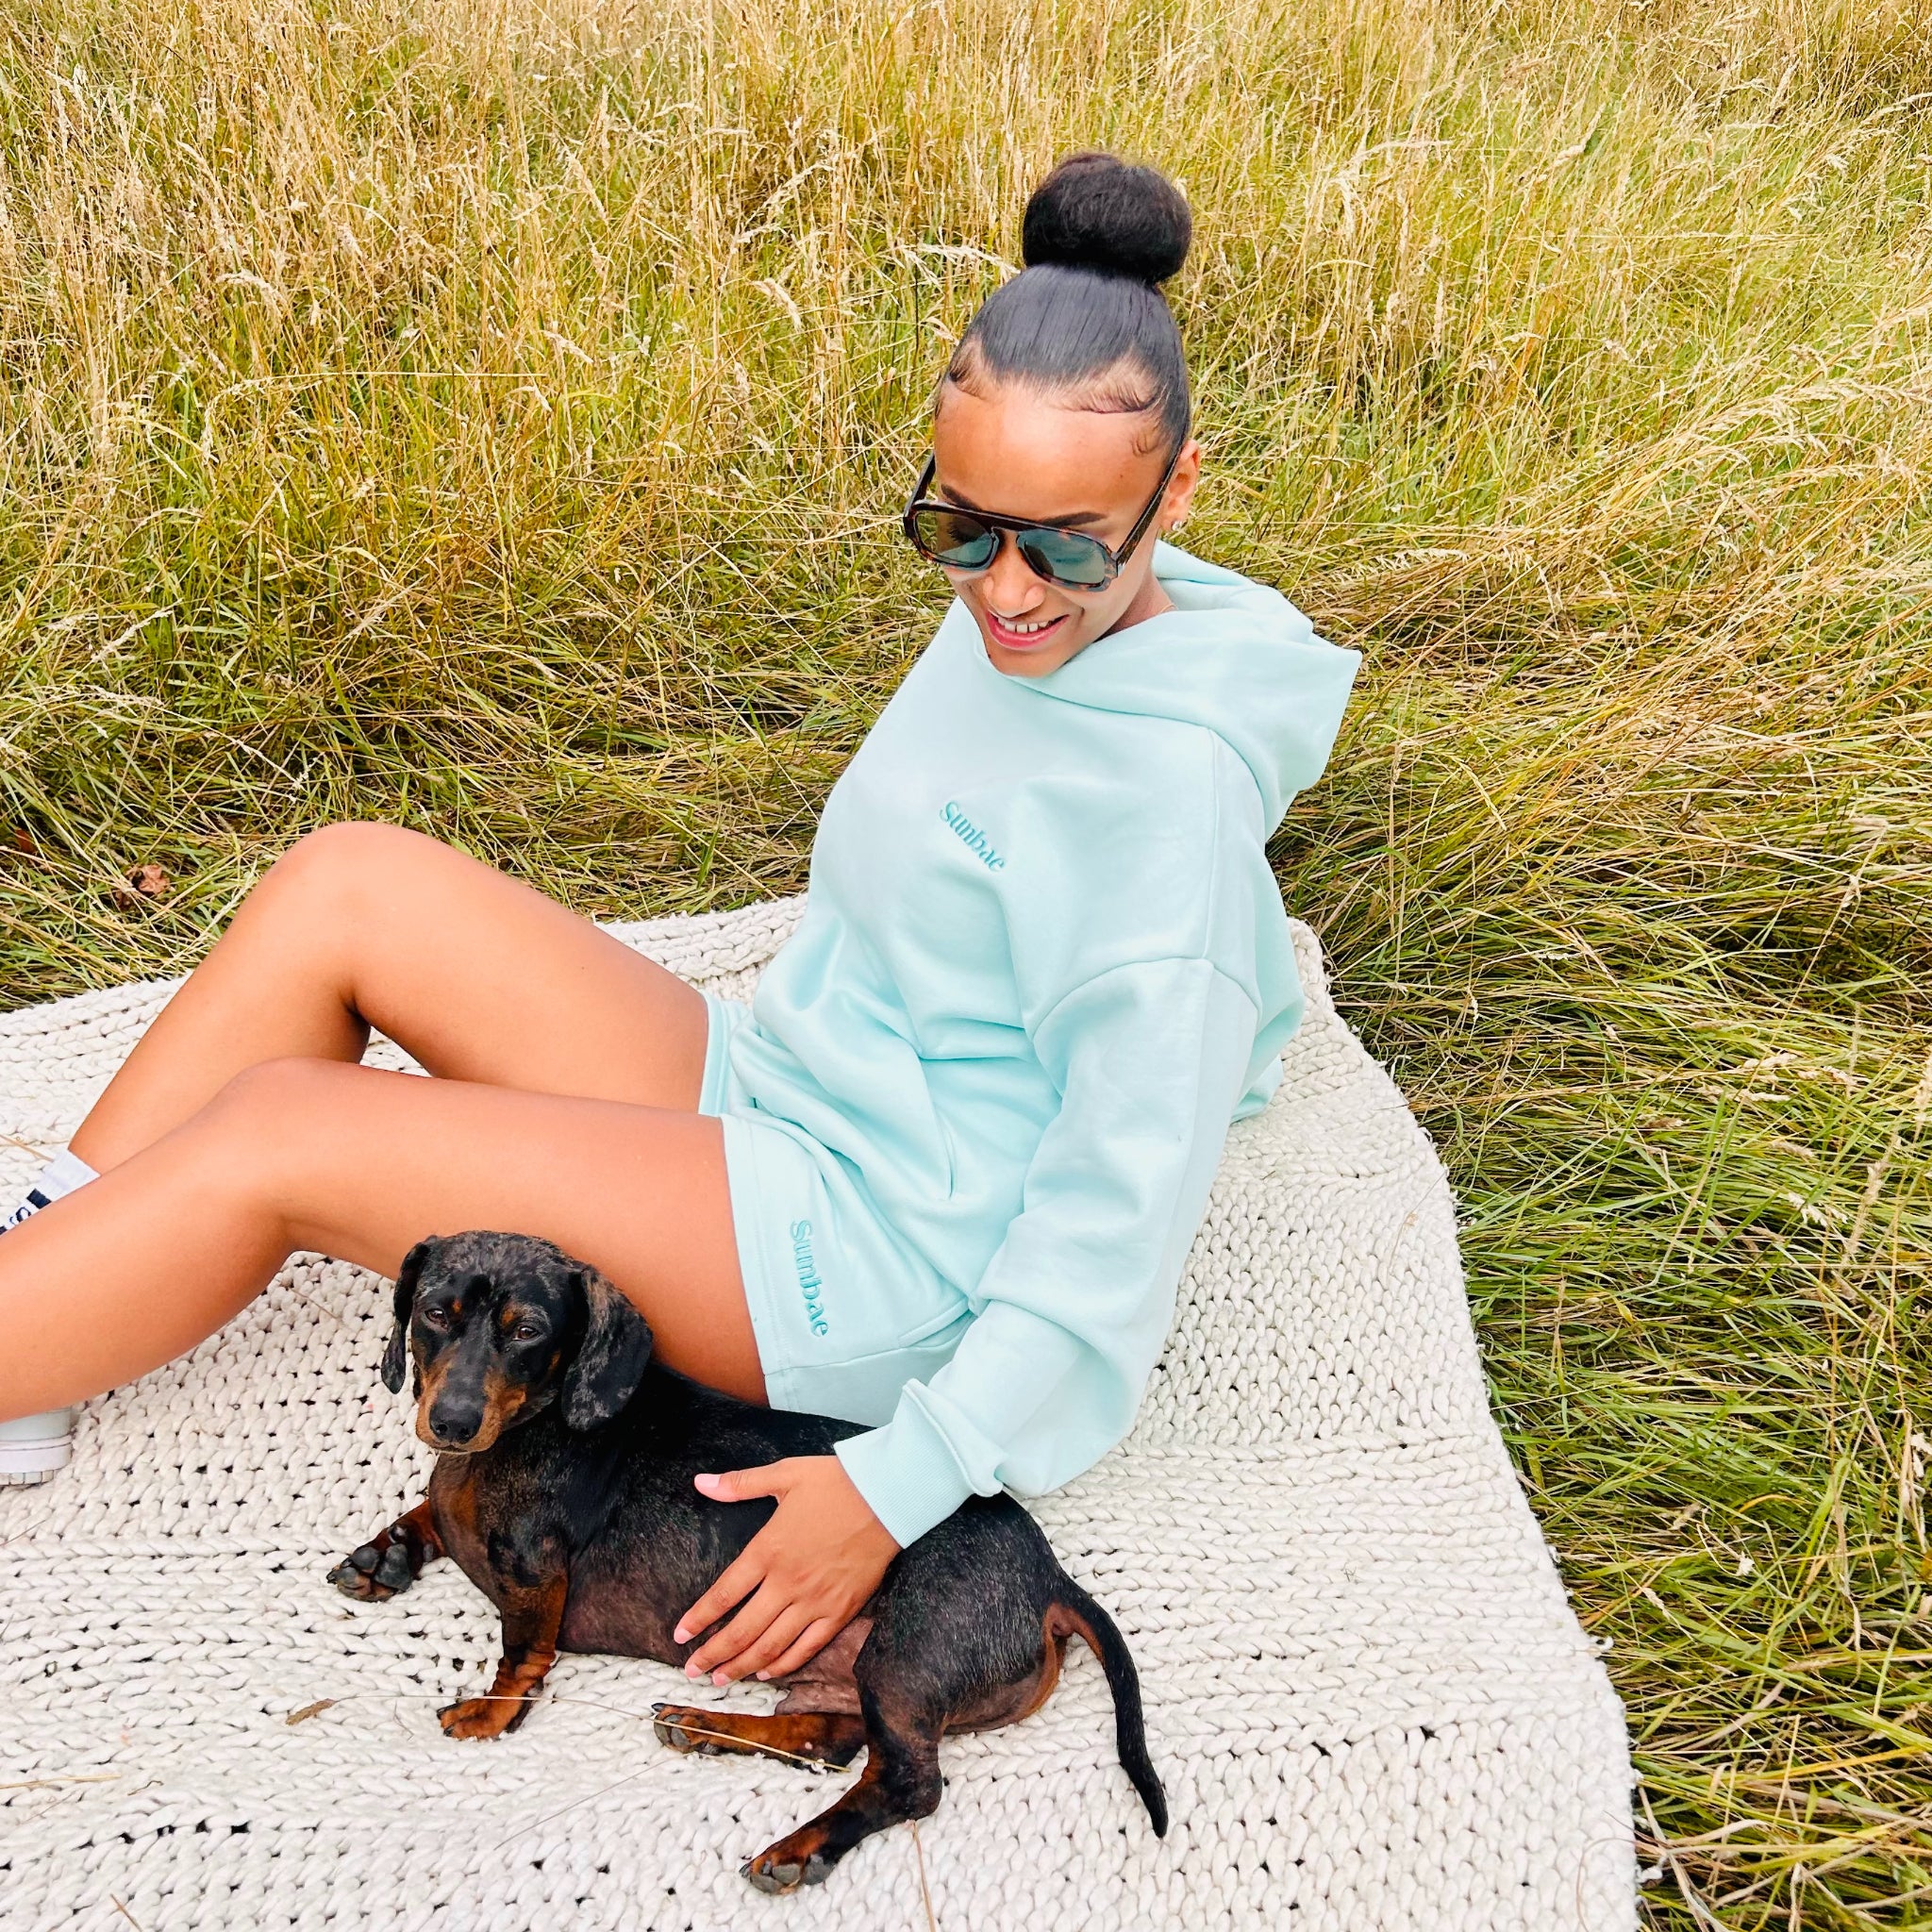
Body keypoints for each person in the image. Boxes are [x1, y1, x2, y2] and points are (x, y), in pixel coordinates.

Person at [0, 152, 1358, 1690]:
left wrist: (898, 1479)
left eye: (1062, 542)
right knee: (348, 885)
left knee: (284, 1135)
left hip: (874, 1254)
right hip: (791, 1079)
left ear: (1176, 490)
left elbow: (1115, 1238)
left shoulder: (1157, 796)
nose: (1006, 591)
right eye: (963, 528)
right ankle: (50, 1278)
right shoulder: (1073, 603)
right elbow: (1192, 962)